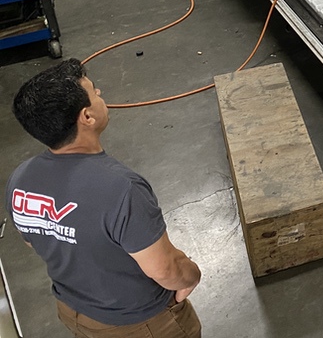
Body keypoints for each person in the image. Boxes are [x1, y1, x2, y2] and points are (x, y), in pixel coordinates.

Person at [6, 59, 202, 338]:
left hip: (72, 311)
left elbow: (33, 239)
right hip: (138, 323)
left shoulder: (20, 179)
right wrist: (192, 274)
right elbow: (166, 269)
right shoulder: (122, 189)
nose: (99, 93)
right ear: (87, 116)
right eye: (93, 91)